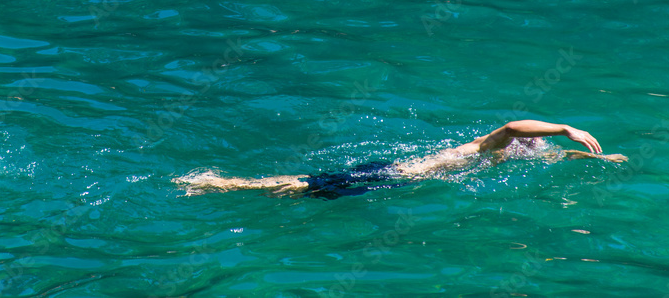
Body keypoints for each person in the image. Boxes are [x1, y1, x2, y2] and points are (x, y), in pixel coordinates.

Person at [173, 120, 628, 199]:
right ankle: (217, 182)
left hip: (399, 181)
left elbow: (551, 158)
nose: (534, 148)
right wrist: (565, 127)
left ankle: (220, 183)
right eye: (537, 142)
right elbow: (512, 127)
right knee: (305, 185)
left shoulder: (512, 158)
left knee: (310, 191)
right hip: (396, 174)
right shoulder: (488, 146)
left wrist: (598, 160)